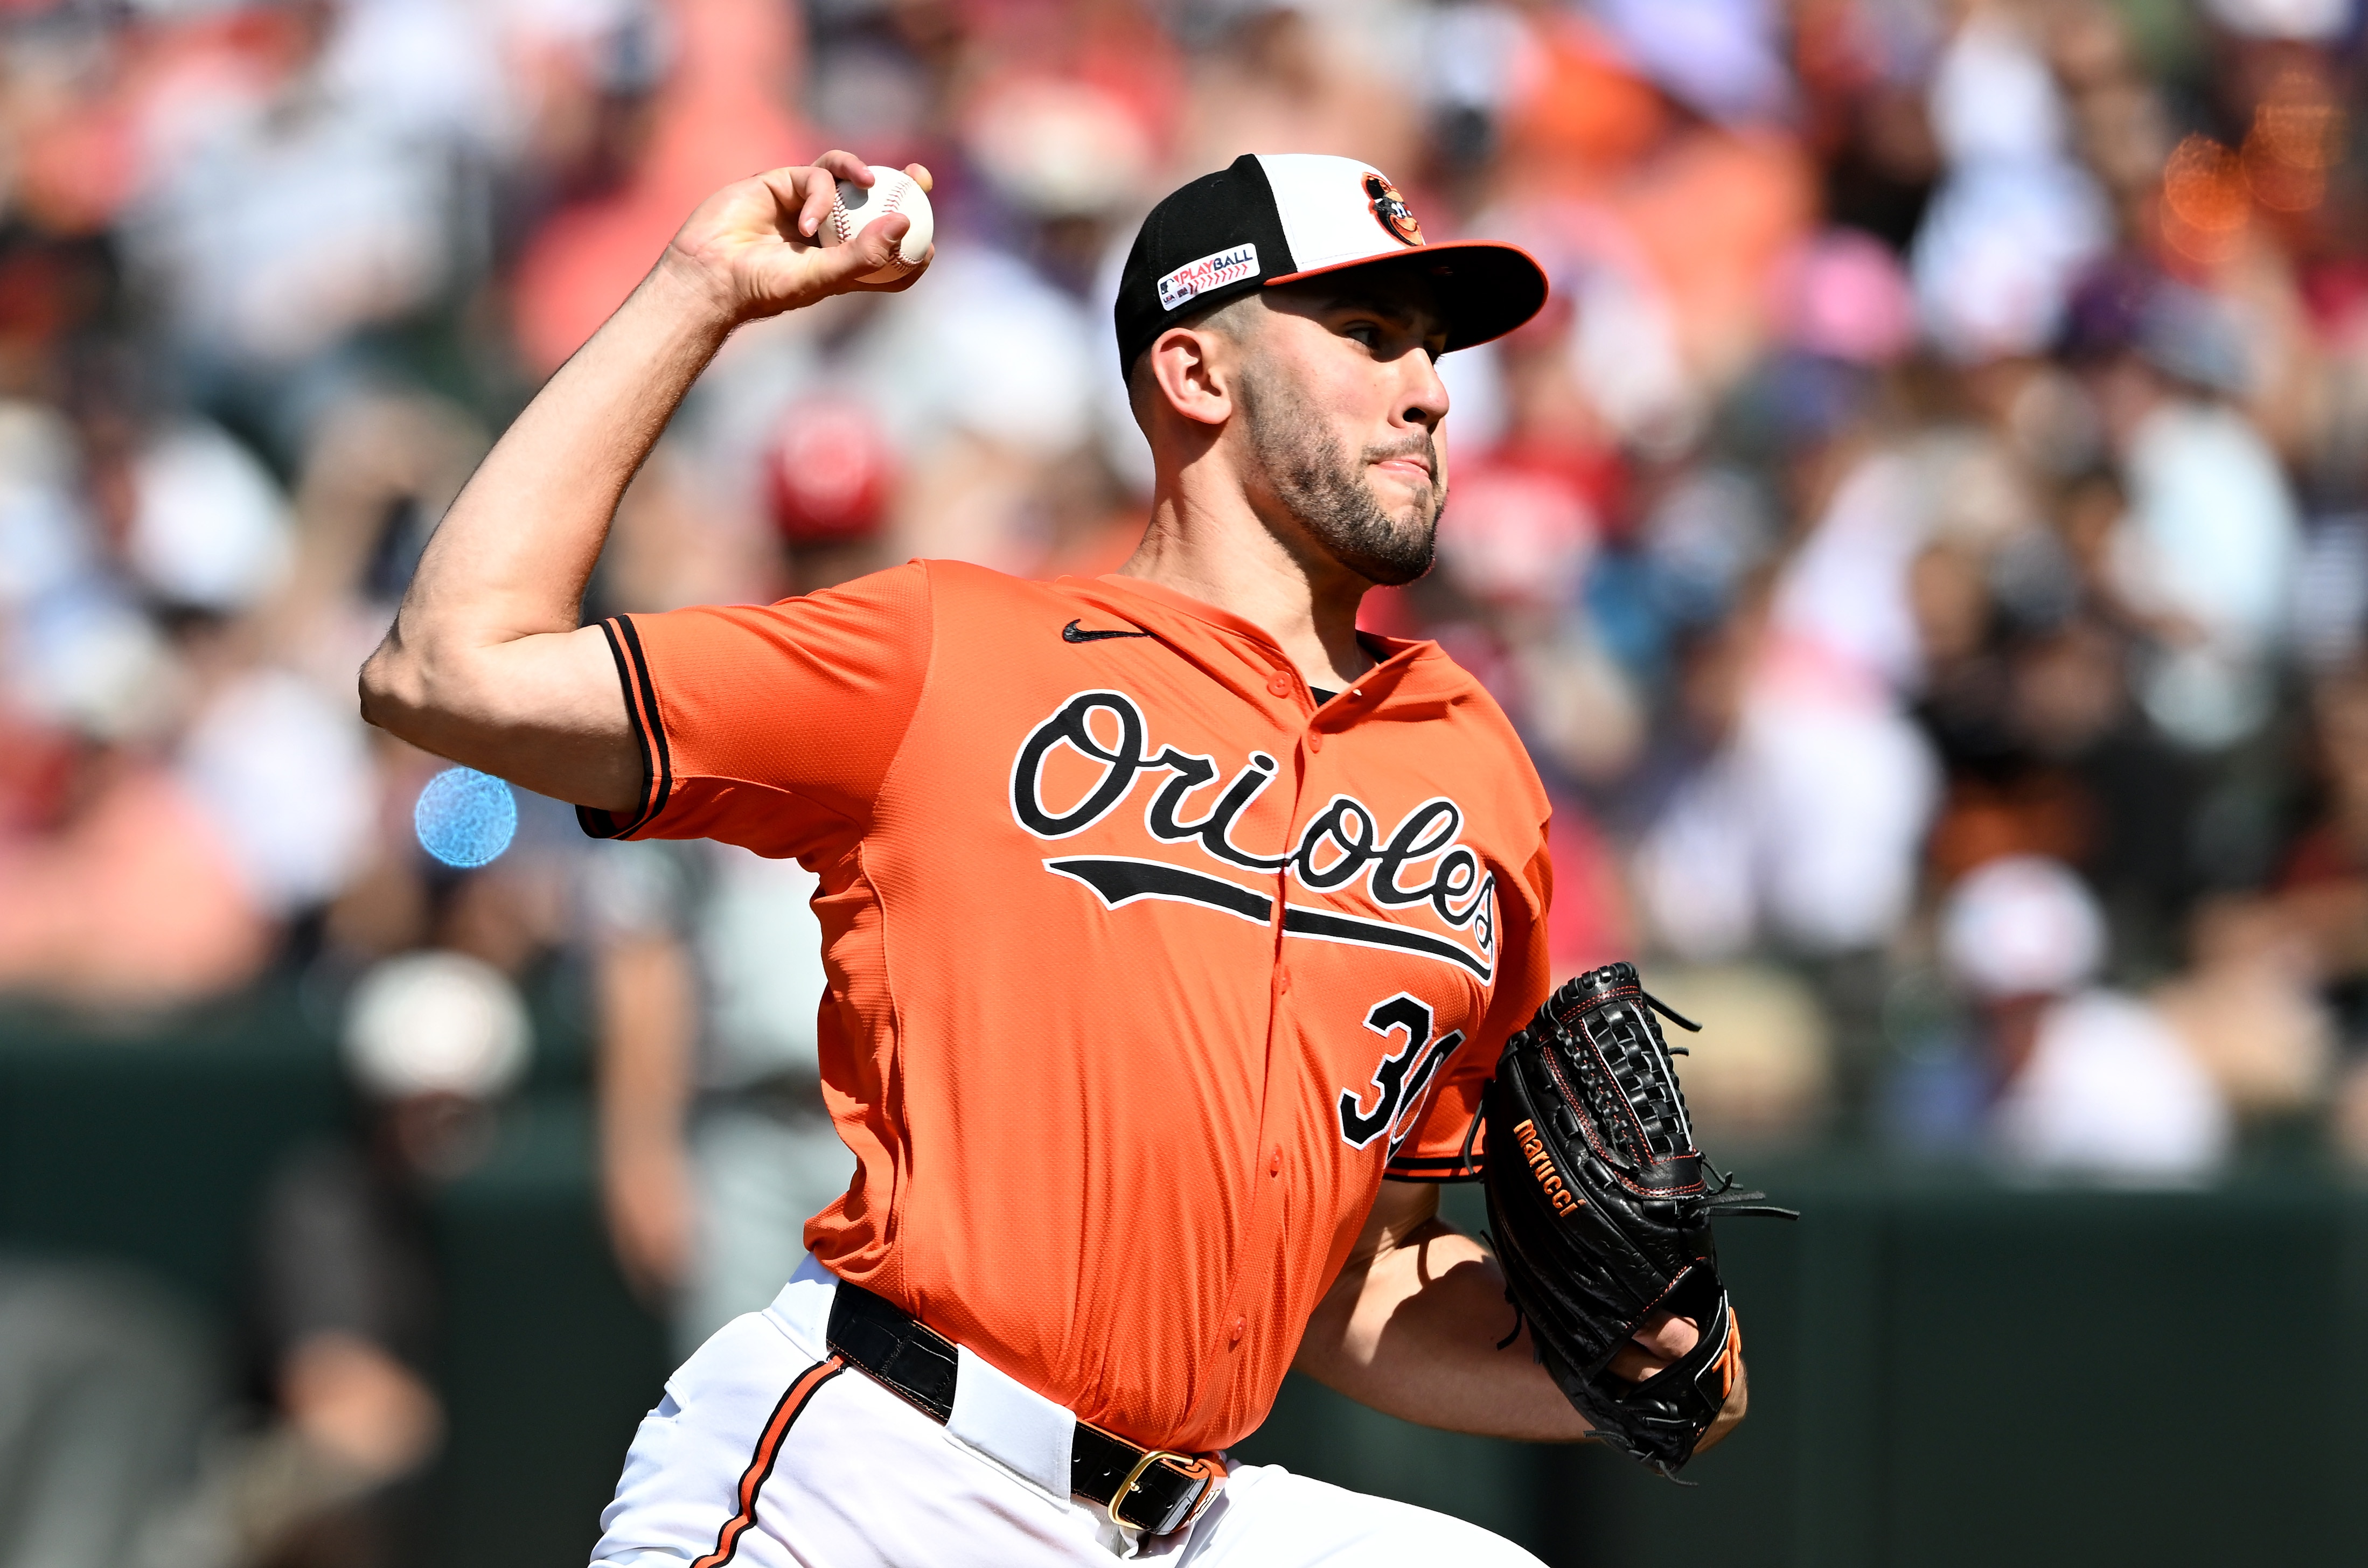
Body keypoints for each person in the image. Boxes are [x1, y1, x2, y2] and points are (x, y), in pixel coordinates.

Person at [358, 149, 1747, 1565]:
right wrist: (698, 293)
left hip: (1176, 1516)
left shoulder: (1469, 766)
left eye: (1432, 351)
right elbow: (449, 670)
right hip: (879, 1477)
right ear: (1198, 375)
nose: (1431, 392)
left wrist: (1617, 1364)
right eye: (1367, 337)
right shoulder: (951, 655)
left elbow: (1356, 1276)